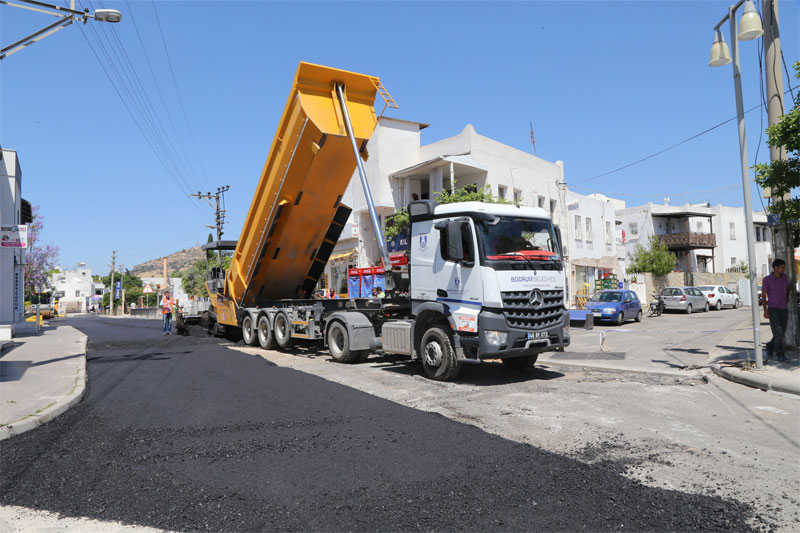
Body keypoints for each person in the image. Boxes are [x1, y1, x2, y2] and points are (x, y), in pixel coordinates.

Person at [762, 259, 791, 362]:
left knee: (781, 333)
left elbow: (788, 288)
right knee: (778, 332)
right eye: (782, 267)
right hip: (773, 309)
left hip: (784, 309)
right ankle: (780, 354)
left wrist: (786, 298)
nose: (783, 269)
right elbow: (764, 295)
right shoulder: (767, 279)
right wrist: (765, 310)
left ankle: (770, 346)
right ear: (776, 268)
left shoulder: (785, 277)